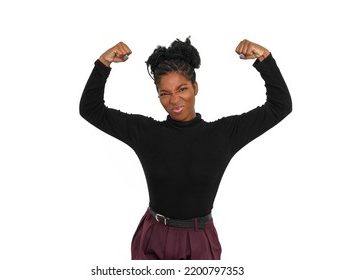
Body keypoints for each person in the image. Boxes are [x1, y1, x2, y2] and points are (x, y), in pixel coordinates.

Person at [79, 37, 292, 260]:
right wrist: (103, 62)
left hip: (199, 242)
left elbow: (280, 106)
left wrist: (264, 58)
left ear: (195, 87)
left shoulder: (223, 135)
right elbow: (90, 109)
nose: (174, 100)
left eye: (182, 89)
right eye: (165, 93)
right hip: (152, 237)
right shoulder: (145, 132)